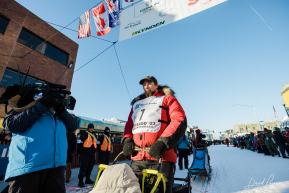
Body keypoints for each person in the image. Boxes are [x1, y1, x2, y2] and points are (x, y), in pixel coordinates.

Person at [121, 76, 187, 193]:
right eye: (144, 84)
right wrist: (127, 140)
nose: (146, 86)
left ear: (157, 85)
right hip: (138, 157)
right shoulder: (137, 104)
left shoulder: (167, 99)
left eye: (150, 83)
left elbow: (179, 119)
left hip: (163, 157)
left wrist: (162, 142)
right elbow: (130, 125)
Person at [3, 95, 78, 193]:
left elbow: (73, 126)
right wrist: (41, 106)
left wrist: (61, 110)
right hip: (29, 168)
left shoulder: (59, 114)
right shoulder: (29, 106)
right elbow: (10, 124)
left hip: (56, 168)